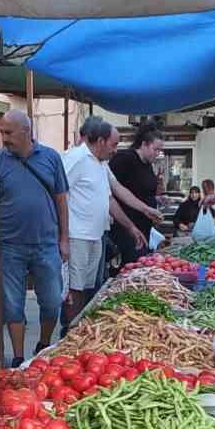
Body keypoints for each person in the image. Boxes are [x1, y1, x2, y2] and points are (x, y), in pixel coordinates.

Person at [61, 117, 160, 324]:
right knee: (74, 290)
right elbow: (59, 193)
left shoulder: (102, 163)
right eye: (113, 145)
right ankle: (69, 331)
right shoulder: (76, 158)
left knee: (87, 288)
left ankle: (80, 329)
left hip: (96, 235)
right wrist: (62, 236)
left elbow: (114, 195)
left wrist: (135, 221)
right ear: (101, 141)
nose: (115, 150)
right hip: (77, 236)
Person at [0, 108, 68, 365]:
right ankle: (17, 358)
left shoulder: (51, 158)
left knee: (52, 301)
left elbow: (61, 200)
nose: (4, 138)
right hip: (9, 245)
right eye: (2, 133)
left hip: (46, 244)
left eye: (9, 133)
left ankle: (43, 345)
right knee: (13, 305)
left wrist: (64, 239)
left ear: (26, 131)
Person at [108, 124, 165, 265]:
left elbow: (142, 192)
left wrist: (157, 199)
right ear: (144, 144)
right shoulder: (124, 159)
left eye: (160, 150)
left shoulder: (148, 165)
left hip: (144, 227)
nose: (158, 154)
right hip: (126, 228)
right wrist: (145, 208)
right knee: (129, 267)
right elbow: (113, 190)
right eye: (155, 149)